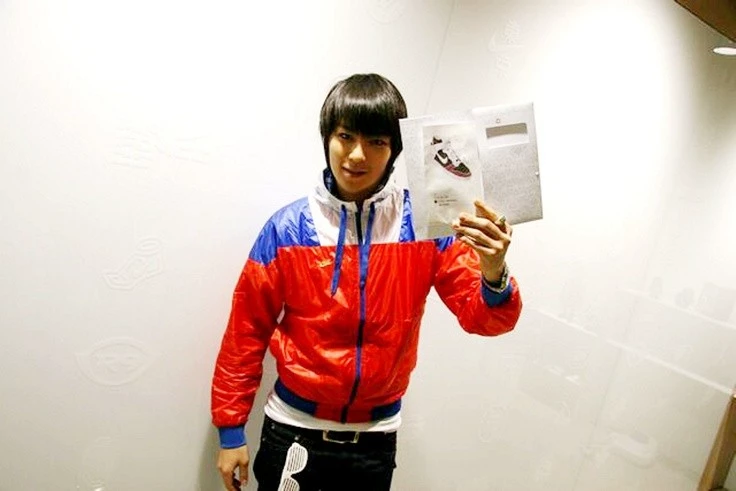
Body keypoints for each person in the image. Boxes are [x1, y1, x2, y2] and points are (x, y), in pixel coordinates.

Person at [211, 73, 522, 491]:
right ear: (327, 138)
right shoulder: (287, 230)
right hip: (292, 430)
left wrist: (494, 270)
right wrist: (231, 431)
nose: (357, 155)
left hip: (375, 441)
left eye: (376, 141)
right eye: (345, 136)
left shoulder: (425, 227)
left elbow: (484, 319)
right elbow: (244, 333)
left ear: (394, 150)